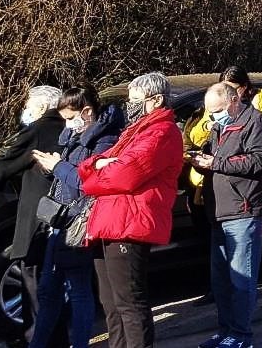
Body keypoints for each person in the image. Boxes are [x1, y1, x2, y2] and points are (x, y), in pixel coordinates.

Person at [79, 72, 184, 348]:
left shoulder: (162, 132)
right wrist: (98, 168)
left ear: (156, 100)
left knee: (129, 301)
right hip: (111, 221)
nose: (130, 104)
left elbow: (123, 174)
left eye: (136, 99)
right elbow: (96, 163)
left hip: (130, 223)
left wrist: (98, 173)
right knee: (110, 302)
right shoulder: (136, 130)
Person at [29, 87, 123, 348]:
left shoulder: (104, 139)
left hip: (79, 221)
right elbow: (69, 174)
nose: (68, 124)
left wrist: (58, 166)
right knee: (49, 290)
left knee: (78, 288)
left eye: (71, 118)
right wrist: (52, 168)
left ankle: (80, 343)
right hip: (60, 220)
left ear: (87, 111)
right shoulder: (73, 135)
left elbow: (89, 183)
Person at [190, 83, 262, 348]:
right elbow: (219, 161)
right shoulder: (217, 126)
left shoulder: (256, 121)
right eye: (210, 112)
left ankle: (241, 335)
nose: (213, 116)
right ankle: (226, 330)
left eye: (217, 111)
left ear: (234, 100)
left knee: (241, 279)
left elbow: (259, 160)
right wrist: (202, 163)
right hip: (219, 209)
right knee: (221, 280)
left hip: (243, 209)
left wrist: (215, 163)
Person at [0, 86, 64, 347]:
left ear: (42, 107)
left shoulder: (38, 129)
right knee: (52, 283)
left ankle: (36, 339)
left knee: (33, 280)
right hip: (59, 215)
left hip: (36, 216)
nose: (26, 110)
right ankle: (54, 338)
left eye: (29, 104)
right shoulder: (66, 126)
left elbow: (3, 167)